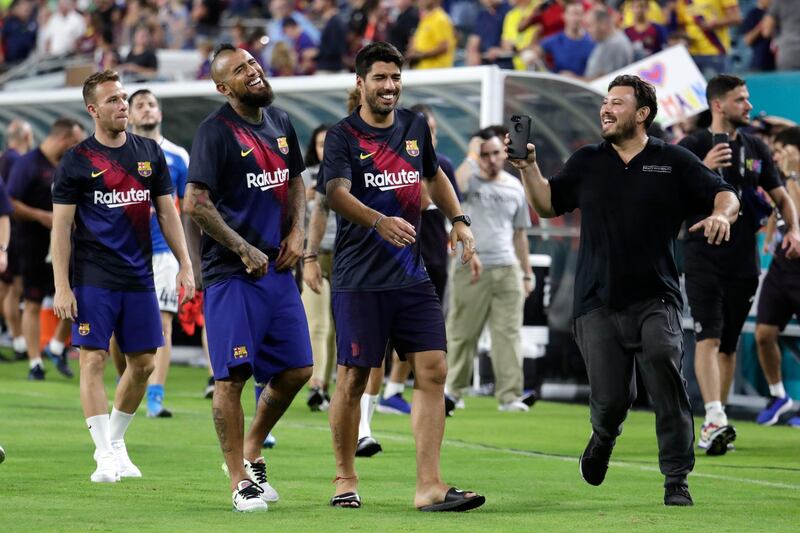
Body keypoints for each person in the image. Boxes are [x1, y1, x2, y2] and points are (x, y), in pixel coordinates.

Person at [511, 74, 739, 506]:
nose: (606, 109)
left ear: (642, 114)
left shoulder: (672, 160)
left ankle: (676, 479)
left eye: (617, 103)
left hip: (657, 297)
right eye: (605, 103)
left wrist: (723, 216)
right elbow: (545, 204)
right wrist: (528, 168)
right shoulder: (586, 161)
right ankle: (602, 438)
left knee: (663, 368)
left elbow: (724, 194)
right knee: (613, 400)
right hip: (595, 301)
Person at [323, 41, 484, 512]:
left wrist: (458, 220)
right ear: (361, 84)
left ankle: (429, 485)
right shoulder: (342, 136)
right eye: (380, 78)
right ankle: (344, 479)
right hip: (359, 279)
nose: (389, 86)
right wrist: (377, 220)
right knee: (353, 379)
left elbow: (434, 176)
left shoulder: (415, 126)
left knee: (432, 369)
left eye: (395, 77)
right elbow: (334, 192)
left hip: (411, 276)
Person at [183, 44, 313, 512]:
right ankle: (240, 480)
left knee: (299, 369)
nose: (253, 72)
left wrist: (298, 231)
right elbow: (194, 202)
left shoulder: (279, 122)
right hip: (232, 275)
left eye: (253, 64)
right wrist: (241, 247)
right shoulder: (214, 133)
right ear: (223, 87)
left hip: (277, 268)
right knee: (232, 377)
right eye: (241, 71)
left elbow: (296, 180)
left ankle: (252, 448)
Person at [51, 70, 195, 484]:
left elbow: (169, 212)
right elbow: (61, 228)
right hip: (94, 276)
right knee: (93, 359)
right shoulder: (77, 160)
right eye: (113, 100)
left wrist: (185, 263)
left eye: (124, 97)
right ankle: (102, 454)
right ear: (93, 109)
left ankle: (115, 442)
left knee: (145, 363)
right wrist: (62, 285)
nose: (123, 105)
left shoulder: (148, 152)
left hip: (139, 275)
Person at [678, 74, 799, 456]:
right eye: (741, 100)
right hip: (701, 256)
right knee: (708, 337)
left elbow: (781, 197)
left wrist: (793, 229)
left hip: (743, 259)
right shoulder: (692, 145)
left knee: (728, 344)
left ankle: (717, 421)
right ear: (718, 104)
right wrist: (702, 166)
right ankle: (713, 416)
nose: (749, 105)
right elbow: (666, 197)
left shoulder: (757, 148)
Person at [447, 127, 533, 412]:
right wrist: (471, 156)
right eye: (485, 154)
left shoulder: (514, 186)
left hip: (507, 267)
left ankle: (510, 396)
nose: (492, 159)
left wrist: (526, 272)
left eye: (496, 153)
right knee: (462, 332)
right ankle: (452, 391)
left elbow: (520, 234)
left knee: (508, 334)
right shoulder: (466, 181)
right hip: (469, 266)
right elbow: (452, 188)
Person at [127, 88, 190, 417]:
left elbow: (189, 209)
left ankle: (155, 395)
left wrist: (187, 259)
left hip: (163, 251)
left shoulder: (179, 156)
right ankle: (129, 385)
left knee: (162, 322)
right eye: (140, 105)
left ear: (160, 113)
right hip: (126, 252)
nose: (148, 110)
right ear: (130, 115)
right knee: (120, 326)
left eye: (152, 104)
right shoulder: (119, 153)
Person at [8, 118, 85, 380]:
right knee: (32, 301)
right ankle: (34, 362)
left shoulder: (68, 164)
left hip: (66, 244)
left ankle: (55, 346)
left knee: (77, 296)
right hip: (33, 244)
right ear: (64, 139)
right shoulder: (27, 164)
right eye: (74, 142)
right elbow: (10, 202)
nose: (76, 147)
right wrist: (41, 216)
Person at [754, 126, 800, 427]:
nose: (778, 155)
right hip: (781, 268)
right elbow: (777, 211)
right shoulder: (781, 180)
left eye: (784, 150)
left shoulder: (793, 180)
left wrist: (793, 177)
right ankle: (779, 395)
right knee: (764, 334)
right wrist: (769, 240)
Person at [0, 119, 34, 362]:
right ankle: (19, 340)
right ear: (25, 137)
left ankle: (19, 340)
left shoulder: (5, 159)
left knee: (12, 288)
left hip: (11, 234)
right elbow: (11, 203)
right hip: (14, 233)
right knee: (8, 288)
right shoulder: (17, 161)